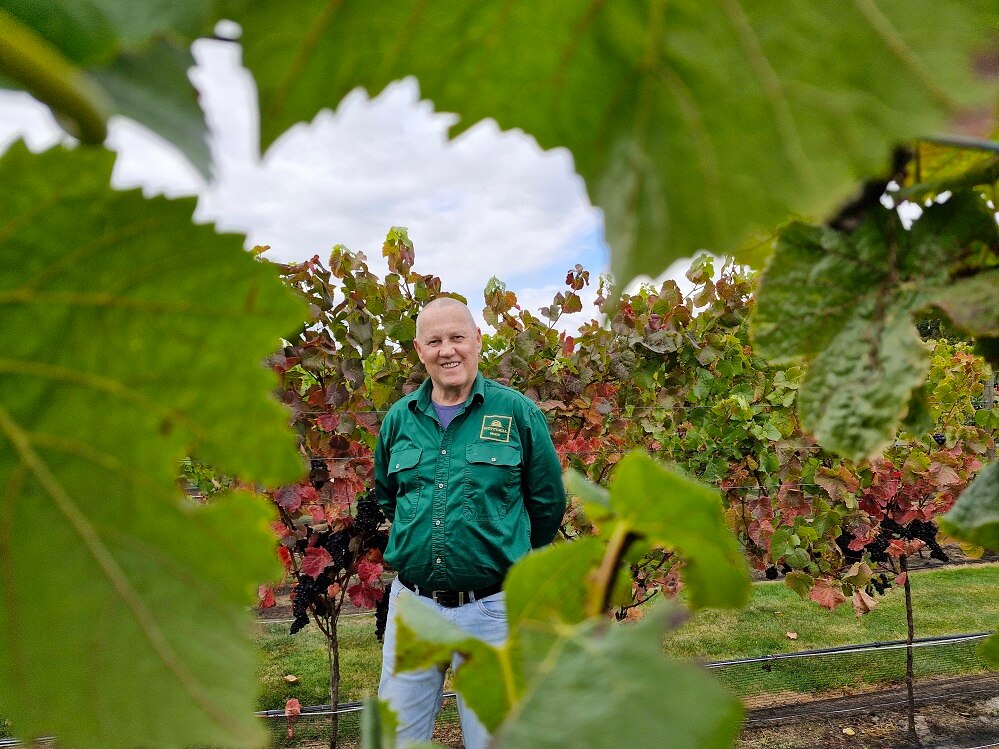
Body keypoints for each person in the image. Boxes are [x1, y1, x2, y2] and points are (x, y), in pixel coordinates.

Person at [374, 296, 566, 748]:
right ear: (419, 350)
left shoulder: (516, 413)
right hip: (414, 609)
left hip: (493, 611)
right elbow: (389, 497)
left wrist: (506, 558)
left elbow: (546, 502)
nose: (448, 350)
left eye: (457, 337)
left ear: (478, 341)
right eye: (435, 341)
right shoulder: (399, 420)